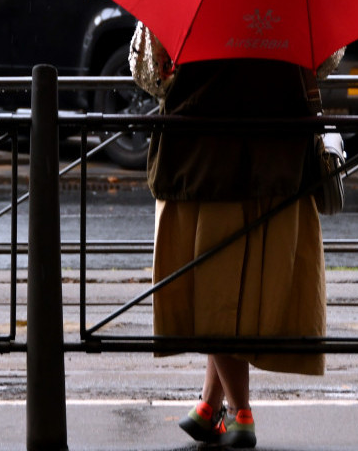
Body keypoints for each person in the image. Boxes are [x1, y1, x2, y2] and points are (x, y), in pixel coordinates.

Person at [130, 23, 340, 449]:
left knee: (216, 290)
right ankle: (209, 408)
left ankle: (241, 413)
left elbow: (151, 73)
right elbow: (325, 62)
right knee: (233, 291)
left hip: (203, 160)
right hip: (276, 159)